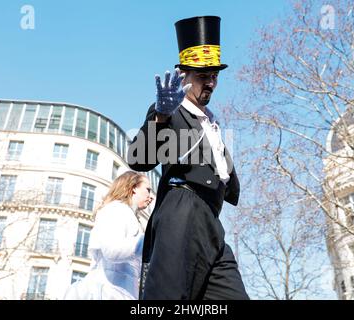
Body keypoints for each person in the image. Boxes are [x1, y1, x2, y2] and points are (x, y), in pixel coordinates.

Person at [128, 16, 249, 300]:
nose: (210, 83)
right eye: (203, 76)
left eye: (214, 76)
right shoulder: (171, 110)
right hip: (182, 213)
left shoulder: (212, 121)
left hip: (211, 221)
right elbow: (138, 159)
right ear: (183, 75)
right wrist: (160, 117)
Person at [63, 171, 153, 300]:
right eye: (147, 190)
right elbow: (112, 250)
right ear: (133, 188)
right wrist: (152, 239)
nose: (151, 196)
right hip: (107, 292)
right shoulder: (115, 209)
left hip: (120, 292)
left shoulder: (126, 214)